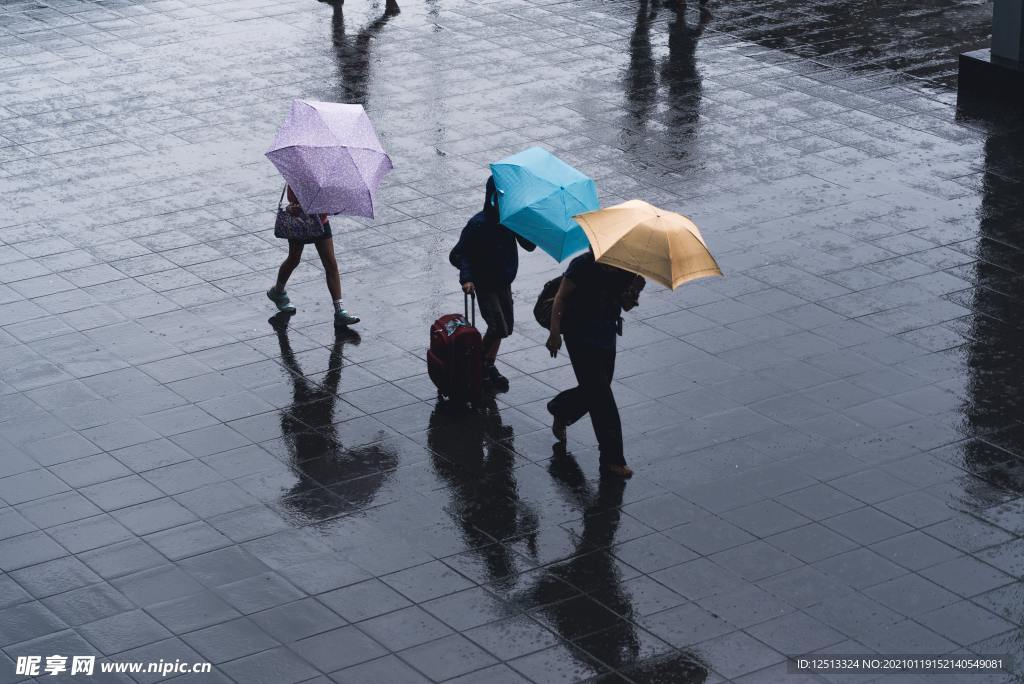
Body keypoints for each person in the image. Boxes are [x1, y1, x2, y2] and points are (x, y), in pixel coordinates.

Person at [545, 251, 645, 479]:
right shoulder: (581, 265)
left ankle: (561, 408)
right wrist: (554, 332)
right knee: (602, 398)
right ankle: (612, 459)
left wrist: (635, 290)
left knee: (596, 390)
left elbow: (626, 305)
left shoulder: (624, 268)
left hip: (606, 336)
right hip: (579, 337)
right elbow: (561, 297)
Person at [451, 177, 536, 389]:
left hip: (504, 282)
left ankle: (487, 365)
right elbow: (459, 254)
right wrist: (467, 278)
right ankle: (477, 364)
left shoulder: (510, 221)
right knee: (497, 326)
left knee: (505, 328)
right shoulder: (478, 224)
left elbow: (529, 245)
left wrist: (525, 223)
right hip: (485, 284)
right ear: (492, 197)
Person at [266, 185, 360, 327]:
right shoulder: (297, 174)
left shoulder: (326, 177)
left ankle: (339, 311)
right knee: (294, 259)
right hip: (300, 223)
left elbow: (332, 204)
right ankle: (278, 291)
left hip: (321, 223)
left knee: (331, 265)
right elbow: (292, 200)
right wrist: (293, 208)